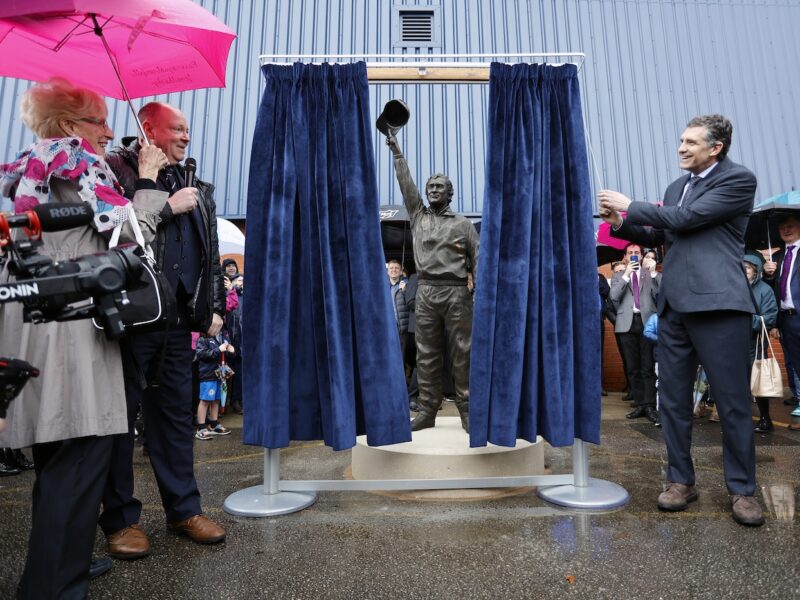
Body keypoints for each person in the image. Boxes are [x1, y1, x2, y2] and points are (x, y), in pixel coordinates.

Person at [0, 78, 168, 598]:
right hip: (71, 327)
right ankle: (54, 585)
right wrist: (149, 180)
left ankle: (58, 563)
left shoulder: (23, 169)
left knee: (57, 461)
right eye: (99, 120)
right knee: (80, 458)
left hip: (32, 327)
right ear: (70, 125)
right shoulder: (75, 161)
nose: (109, 131)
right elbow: (132, 239)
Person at [599, 114, 764, 526]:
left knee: (732, 403)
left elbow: (687, 219)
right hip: (673, 309)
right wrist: (622, 222)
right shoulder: (677, 187)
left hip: (720, 307)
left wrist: (631, 204)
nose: (681, 148)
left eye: (691, 142)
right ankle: (680, 481)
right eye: (680, 140)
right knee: (671, 402)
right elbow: (662, 234)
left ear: (716, 148)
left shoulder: (738, 180)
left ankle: (743, 491)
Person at [101, 101, 227, 559]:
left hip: (176, 325)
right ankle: (120, 521)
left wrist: (211, 306)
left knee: (174, 419)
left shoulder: (194, 182)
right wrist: (165, 204)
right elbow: (117, 236)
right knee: (120, 422)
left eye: (187, 129)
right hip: (133, 323)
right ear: (148, 129)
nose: (185, 136)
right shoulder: (115, 171)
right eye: (177, 129)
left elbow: (207, 252)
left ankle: (184, 511)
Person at [385, 132, 479, 432]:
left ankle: (466, 410)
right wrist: (397, 154)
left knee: (462, 352)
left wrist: (478, 295)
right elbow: (406, 185)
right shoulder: (418, 216)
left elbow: (479, 262)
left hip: (456, 293)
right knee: (426, 353)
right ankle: (426, 411)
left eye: (440, 186)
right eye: (430, 187)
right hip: (425, 291)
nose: (434, 190)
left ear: (450, 193)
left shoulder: (463, 224)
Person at [610, 243, 661, 425]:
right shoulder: (618, 276)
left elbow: (662, 293)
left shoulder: (651, 275)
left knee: (647, 367)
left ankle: (649, 406)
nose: (633, 255)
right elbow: (614, 297)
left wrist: (654, 273)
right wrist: (625, 275)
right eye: (630, 253)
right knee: (633, 368)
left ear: (642, 256)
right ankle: (639, 404)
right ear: (625, 257)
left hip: (647, 323)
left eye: (636, 253)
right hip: (626, 324)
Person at [763, 214, 800, 420]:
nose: (786, 230)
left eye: (791, 226)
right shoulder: (776, 258)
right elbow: (771, 293)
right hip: (787, 318)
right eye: (783, 227)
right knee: (794, 361)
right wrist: (768, 275)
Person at [742, 252, 778, 432]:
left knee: (759, 382)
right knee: (737, 384)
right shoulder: (734, 287)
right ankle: (741, 420)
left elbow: (769, 318)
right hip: (734, 343)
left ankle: (765, 418)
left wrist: (745, 319)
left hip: (755, 344)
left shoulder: (765, 290)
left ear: (755, 271)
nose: (744, 270)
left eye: (747, 267)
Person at [194, 332, 235, 439]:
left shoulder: (223, 336)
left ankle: (214, 423)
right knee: (205, 400)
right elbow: (201, 354)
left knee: (216, 399)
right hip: (208, 374)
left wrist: (231, 351)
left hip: (220, 375)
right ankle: (201, 426)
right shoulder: (203, 338)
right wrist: (218, 349)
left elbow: (226, 355)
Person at [387, 259, 412, 371]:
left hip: (402, 328)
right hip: (388, 328)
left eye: (397, 268)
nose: (394, 270)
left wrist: (405, 291)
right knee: (389, 357)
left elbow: (413, 303)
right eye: (391, 268)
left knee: (401, 358)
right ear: (387, 271)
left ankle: (401, 385)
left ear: (401, 271)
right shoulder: (384, 287)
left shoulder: (407, 284)